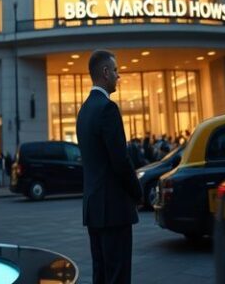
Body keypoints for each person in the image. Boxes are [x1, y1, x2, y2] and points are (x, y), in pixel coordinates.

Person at [76, 50, 142, 284]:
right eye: (115, 70)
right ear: (105, 73)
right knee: (118, 276)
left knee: (101, 274)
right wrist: (137, 192)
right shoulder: (107, 108)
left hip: (94, 208)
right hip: (114, 210)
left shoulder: (83, 111)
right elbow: (120, 160)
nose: (118, 75)